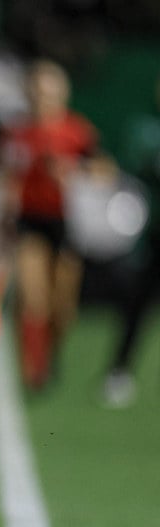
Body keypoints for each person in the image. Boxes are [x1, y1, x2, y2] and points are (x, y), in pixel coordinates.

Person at [0, 59, 110, 391]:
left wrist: (73, 170)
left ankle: (51, 353)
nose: (41, 99)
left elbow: (104, 170)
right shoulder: (16, 132)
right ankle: (34, 368)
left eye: (48, 92)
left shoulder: (77, 132)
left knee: (63, 307)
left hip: (69, 221)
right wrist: (2, 215)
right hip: (30, 221)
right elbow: (5, 176)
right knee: (34, 297)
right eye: (36, 91)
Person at [101, 74, 160, 408]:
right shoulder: (147, 128)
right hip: (154, 237)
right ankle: (119, 371)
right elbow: (138, 163)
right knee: (137, 308)